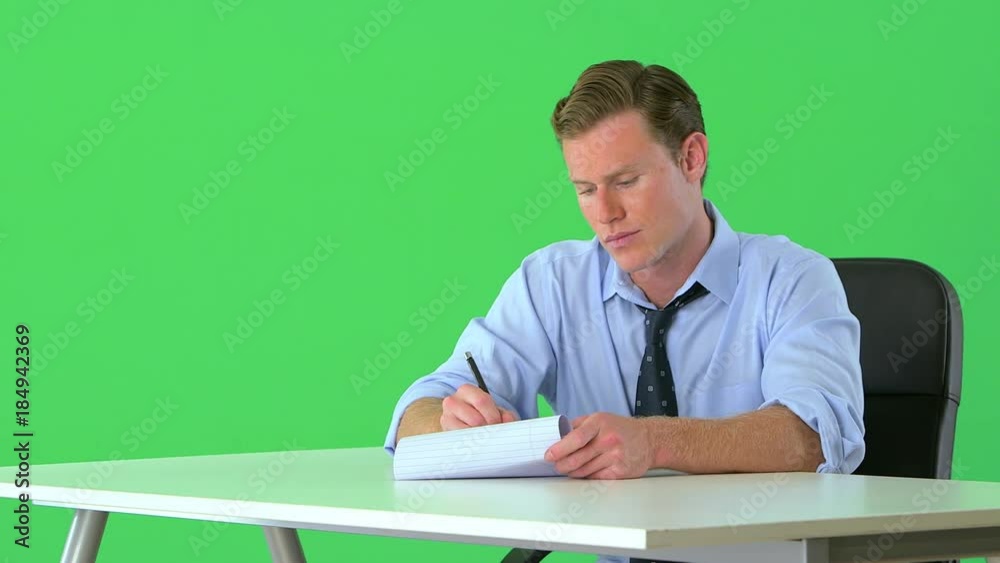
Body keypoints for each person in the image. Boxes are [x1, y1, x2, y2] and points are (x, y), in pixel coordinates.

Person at [383, 60, 865, 563]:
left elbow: (811, 438)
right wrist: (448, 422)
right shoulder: (551, 282)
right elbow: (417, 411)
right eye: (585, 189)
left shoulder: (791, 279)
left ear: (692, 157)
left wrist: (655, 442)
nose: (604, 213)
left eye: (627, 181)